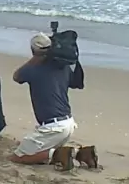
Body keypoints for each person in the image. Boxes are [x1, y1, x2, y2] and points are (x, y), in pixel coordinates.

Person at [10, 33, 98, 171]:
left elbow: (17, 76)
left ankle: (60, 154)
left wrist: (36, 57)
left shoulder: (34, 69)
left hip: (53, 127)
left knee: (18, 157)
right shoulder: (64, 68)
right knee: (39, 150)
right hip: (68, 123)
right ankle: (81, 154)